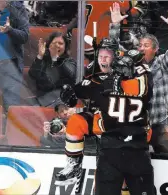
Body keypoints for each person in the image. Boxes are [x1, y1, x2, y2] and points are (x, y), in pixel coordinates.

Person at [59, 38, 154, 195]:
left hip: (111, 143)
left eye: (107, 56)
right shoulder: (141, 85)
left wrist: (71, 92)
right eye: (100, 56)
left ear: (116, 59)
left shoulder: (101, 86)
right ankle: (74, 164)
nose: (103, 59)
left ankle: (75, 164)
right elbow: (146, 81)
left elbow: (83, 90)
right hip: (136, 145)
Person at [109, 3, 168, 154]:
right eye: (140, 45)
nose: (141, 48)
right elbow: (112, 51)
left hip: (158, 126)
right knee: (136, 160)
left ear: (155, 49)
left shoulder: (162, 63)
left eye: (146, 45)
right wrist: (115, 25)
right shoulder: (130, 64)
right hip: (136, 126)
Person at [0, 1, 29, 115]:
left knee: (11, 110)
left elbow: (24, 36)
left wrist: (10, 30)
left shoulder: (18, 9)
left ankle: (8, 133)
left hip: (11, 65)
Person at [28, 32, 77, 107]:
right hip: (43, 100)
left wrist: (56, 58)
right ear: (49, 45)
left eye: (60, 43)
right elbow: (32, 75)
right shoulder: (43, 60)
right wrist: (40, 56)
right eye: (54, 43)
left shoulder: (69, 61)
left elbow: (71, 75)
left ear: (65, 47)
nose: (57, 46)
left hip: (62, 101)